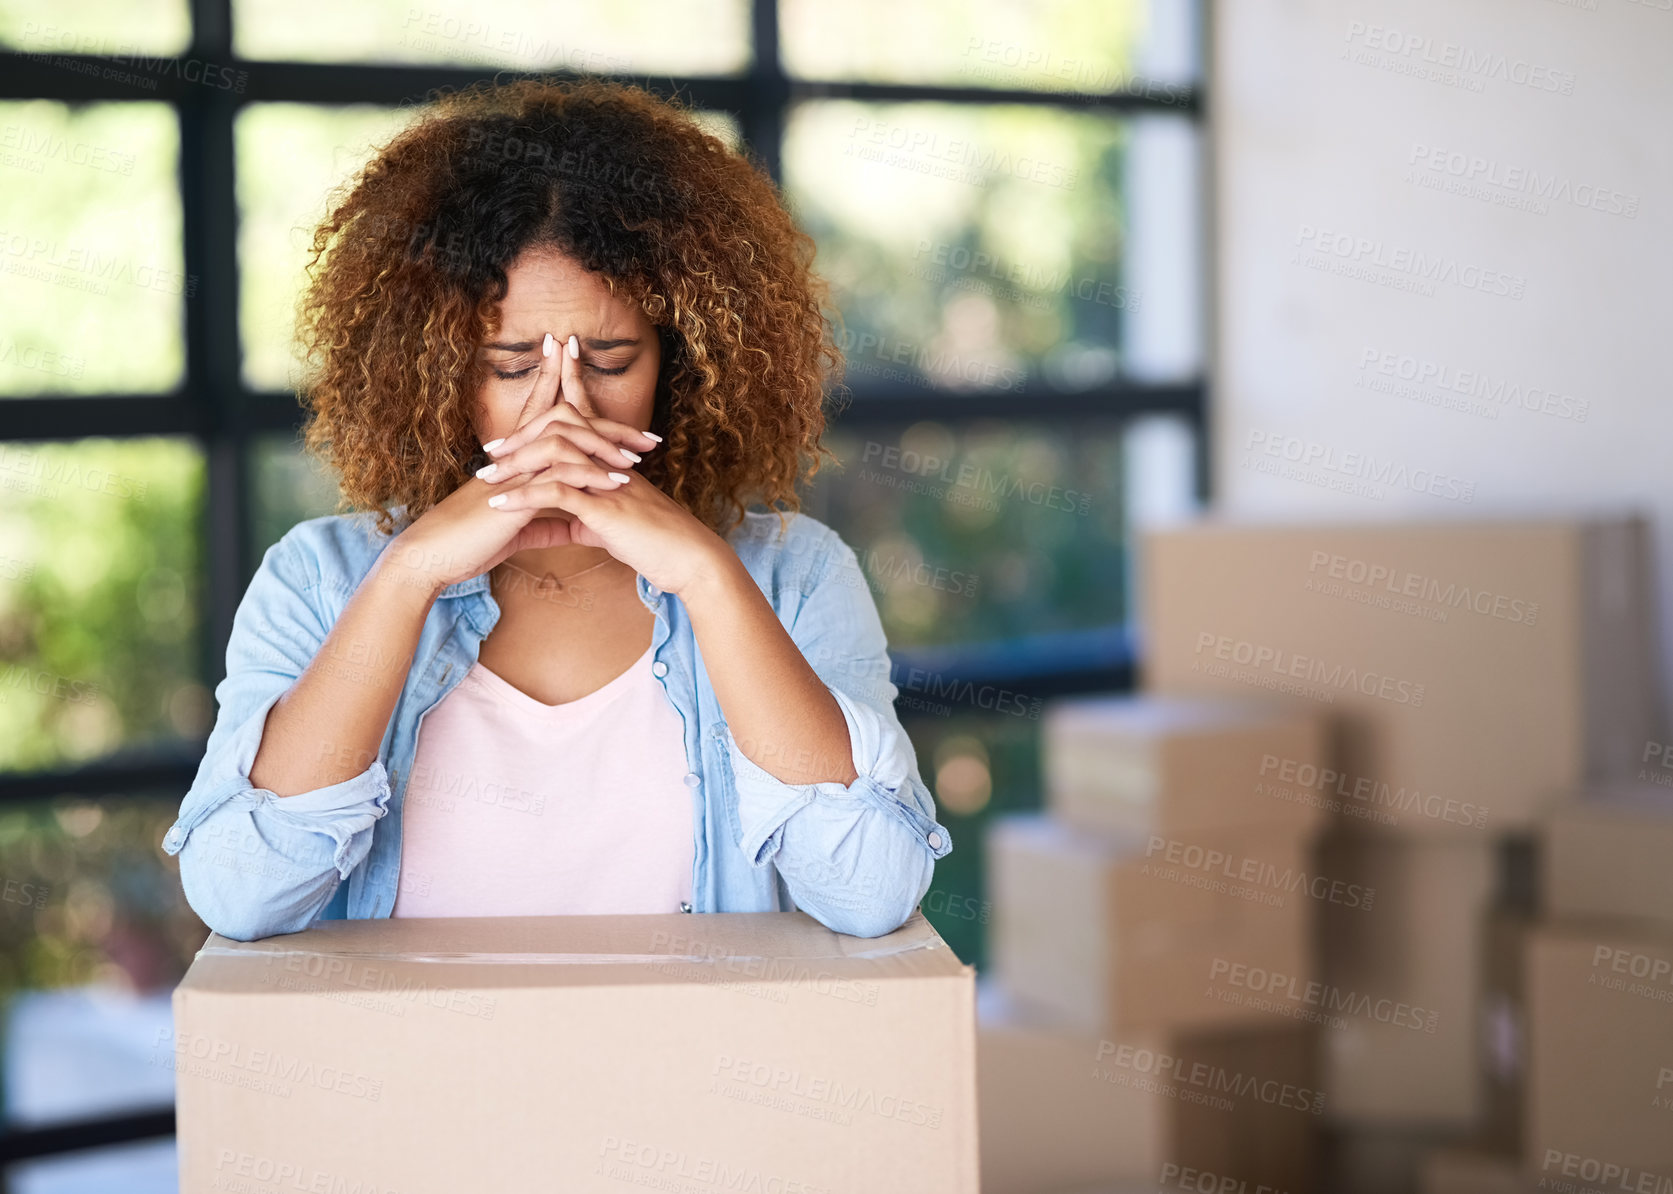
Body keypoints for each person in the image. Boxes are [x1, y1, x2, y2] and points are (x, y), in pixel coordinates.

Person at [161, 78, 952, 942]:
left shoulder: (794, 575)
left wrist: (705, 575)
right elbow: (241, 893)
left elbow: (870, 892)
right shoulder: (319, 578)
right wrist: (412, 573)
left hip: (690, 1073)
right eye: (509, 364)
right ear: (435, 370)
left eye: (610, 361)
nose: (561, 411)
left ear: (680, 366)